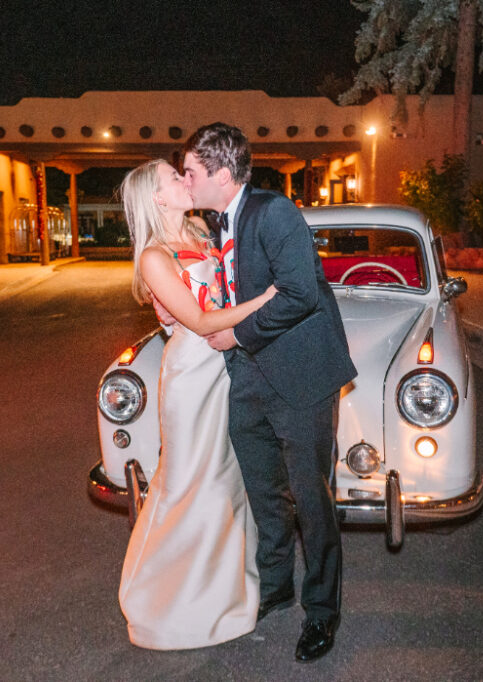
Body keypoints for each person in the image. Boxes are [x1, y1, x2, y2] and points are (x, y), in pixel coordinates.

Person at [167, 122, 357, 663]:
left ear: (223, 175)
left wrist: (235, 334)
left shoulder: (274, 213)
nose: (186, 180)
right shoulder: (218, 222)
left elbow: (299, 292)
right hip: (247, 378)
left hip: (300, 379)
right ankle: (276, 588)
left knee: (311, 498)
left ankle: (322, 611)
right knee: (264, 493)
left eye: (192, 172)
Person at [117, 159, 277, 650]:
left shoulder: (202, 231)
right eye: (174, 177)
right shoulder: (154, 257)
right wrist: (273, 297)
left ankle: (221, 593)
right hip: (191, 376)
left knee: (228, 482)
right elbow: (203, 323)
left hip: (227, 369)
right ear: (157, 197)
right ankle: (168, 603)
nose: (185, 181)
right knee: (189, 484)